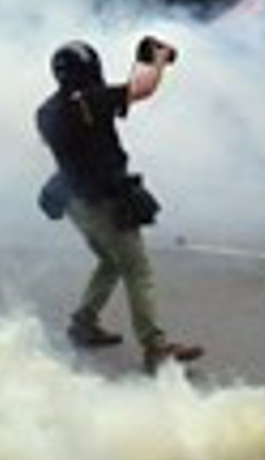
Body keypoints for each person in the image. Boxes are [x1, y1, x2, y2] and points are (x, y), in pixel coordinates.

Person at [36, 38, 203, 373]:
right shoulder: (91, 100)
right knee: (137, 270)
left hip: (73, 199)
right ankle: (155, 346)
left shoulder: (47, 110)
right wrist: (158, 60)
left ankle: (84, 322)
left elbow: (81, 126)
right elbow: (143, 88)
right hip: (103, 200)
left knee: (110, 261)